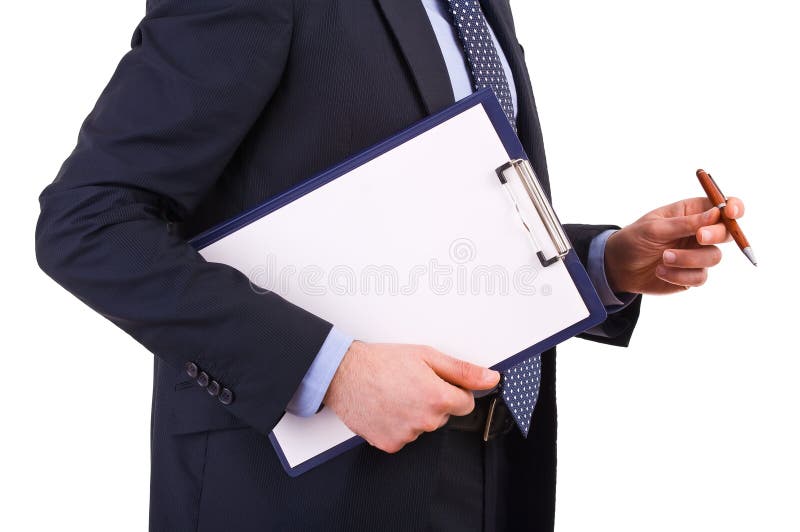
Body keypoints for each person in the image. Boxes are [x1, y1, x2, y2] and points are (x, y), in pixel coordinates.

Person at [35, 1, 745, 530]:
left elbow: (447, 207)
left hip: (494, 463)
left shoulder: (477, 6)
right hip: (297, 493)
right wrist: (330, 367)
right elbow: (89, 222)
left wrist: (602, 264)